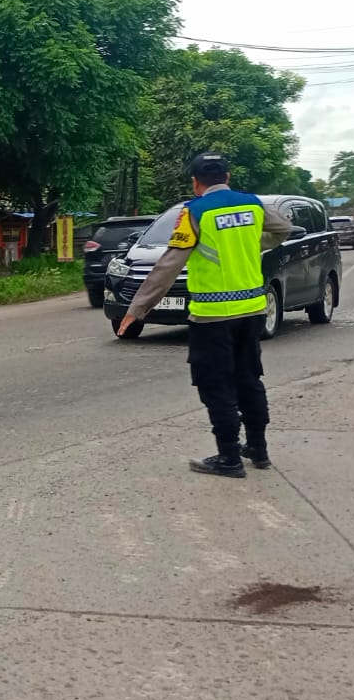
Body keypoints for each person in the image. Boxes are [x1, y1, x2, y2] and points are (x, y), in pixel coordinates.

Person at [119, 153, 294, 477]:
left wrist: (137, 309)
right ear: (227, 176)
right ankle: (258, 449)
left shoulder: (194, 211)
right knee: (249, 379)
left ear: (195, 182)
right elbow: (284, 228)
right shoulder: (252, 204)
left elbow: (170, 263)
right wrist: (250, 243)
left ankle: (229, 458)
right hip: (252, 311)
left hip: (212, 317)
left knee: (216, 386)